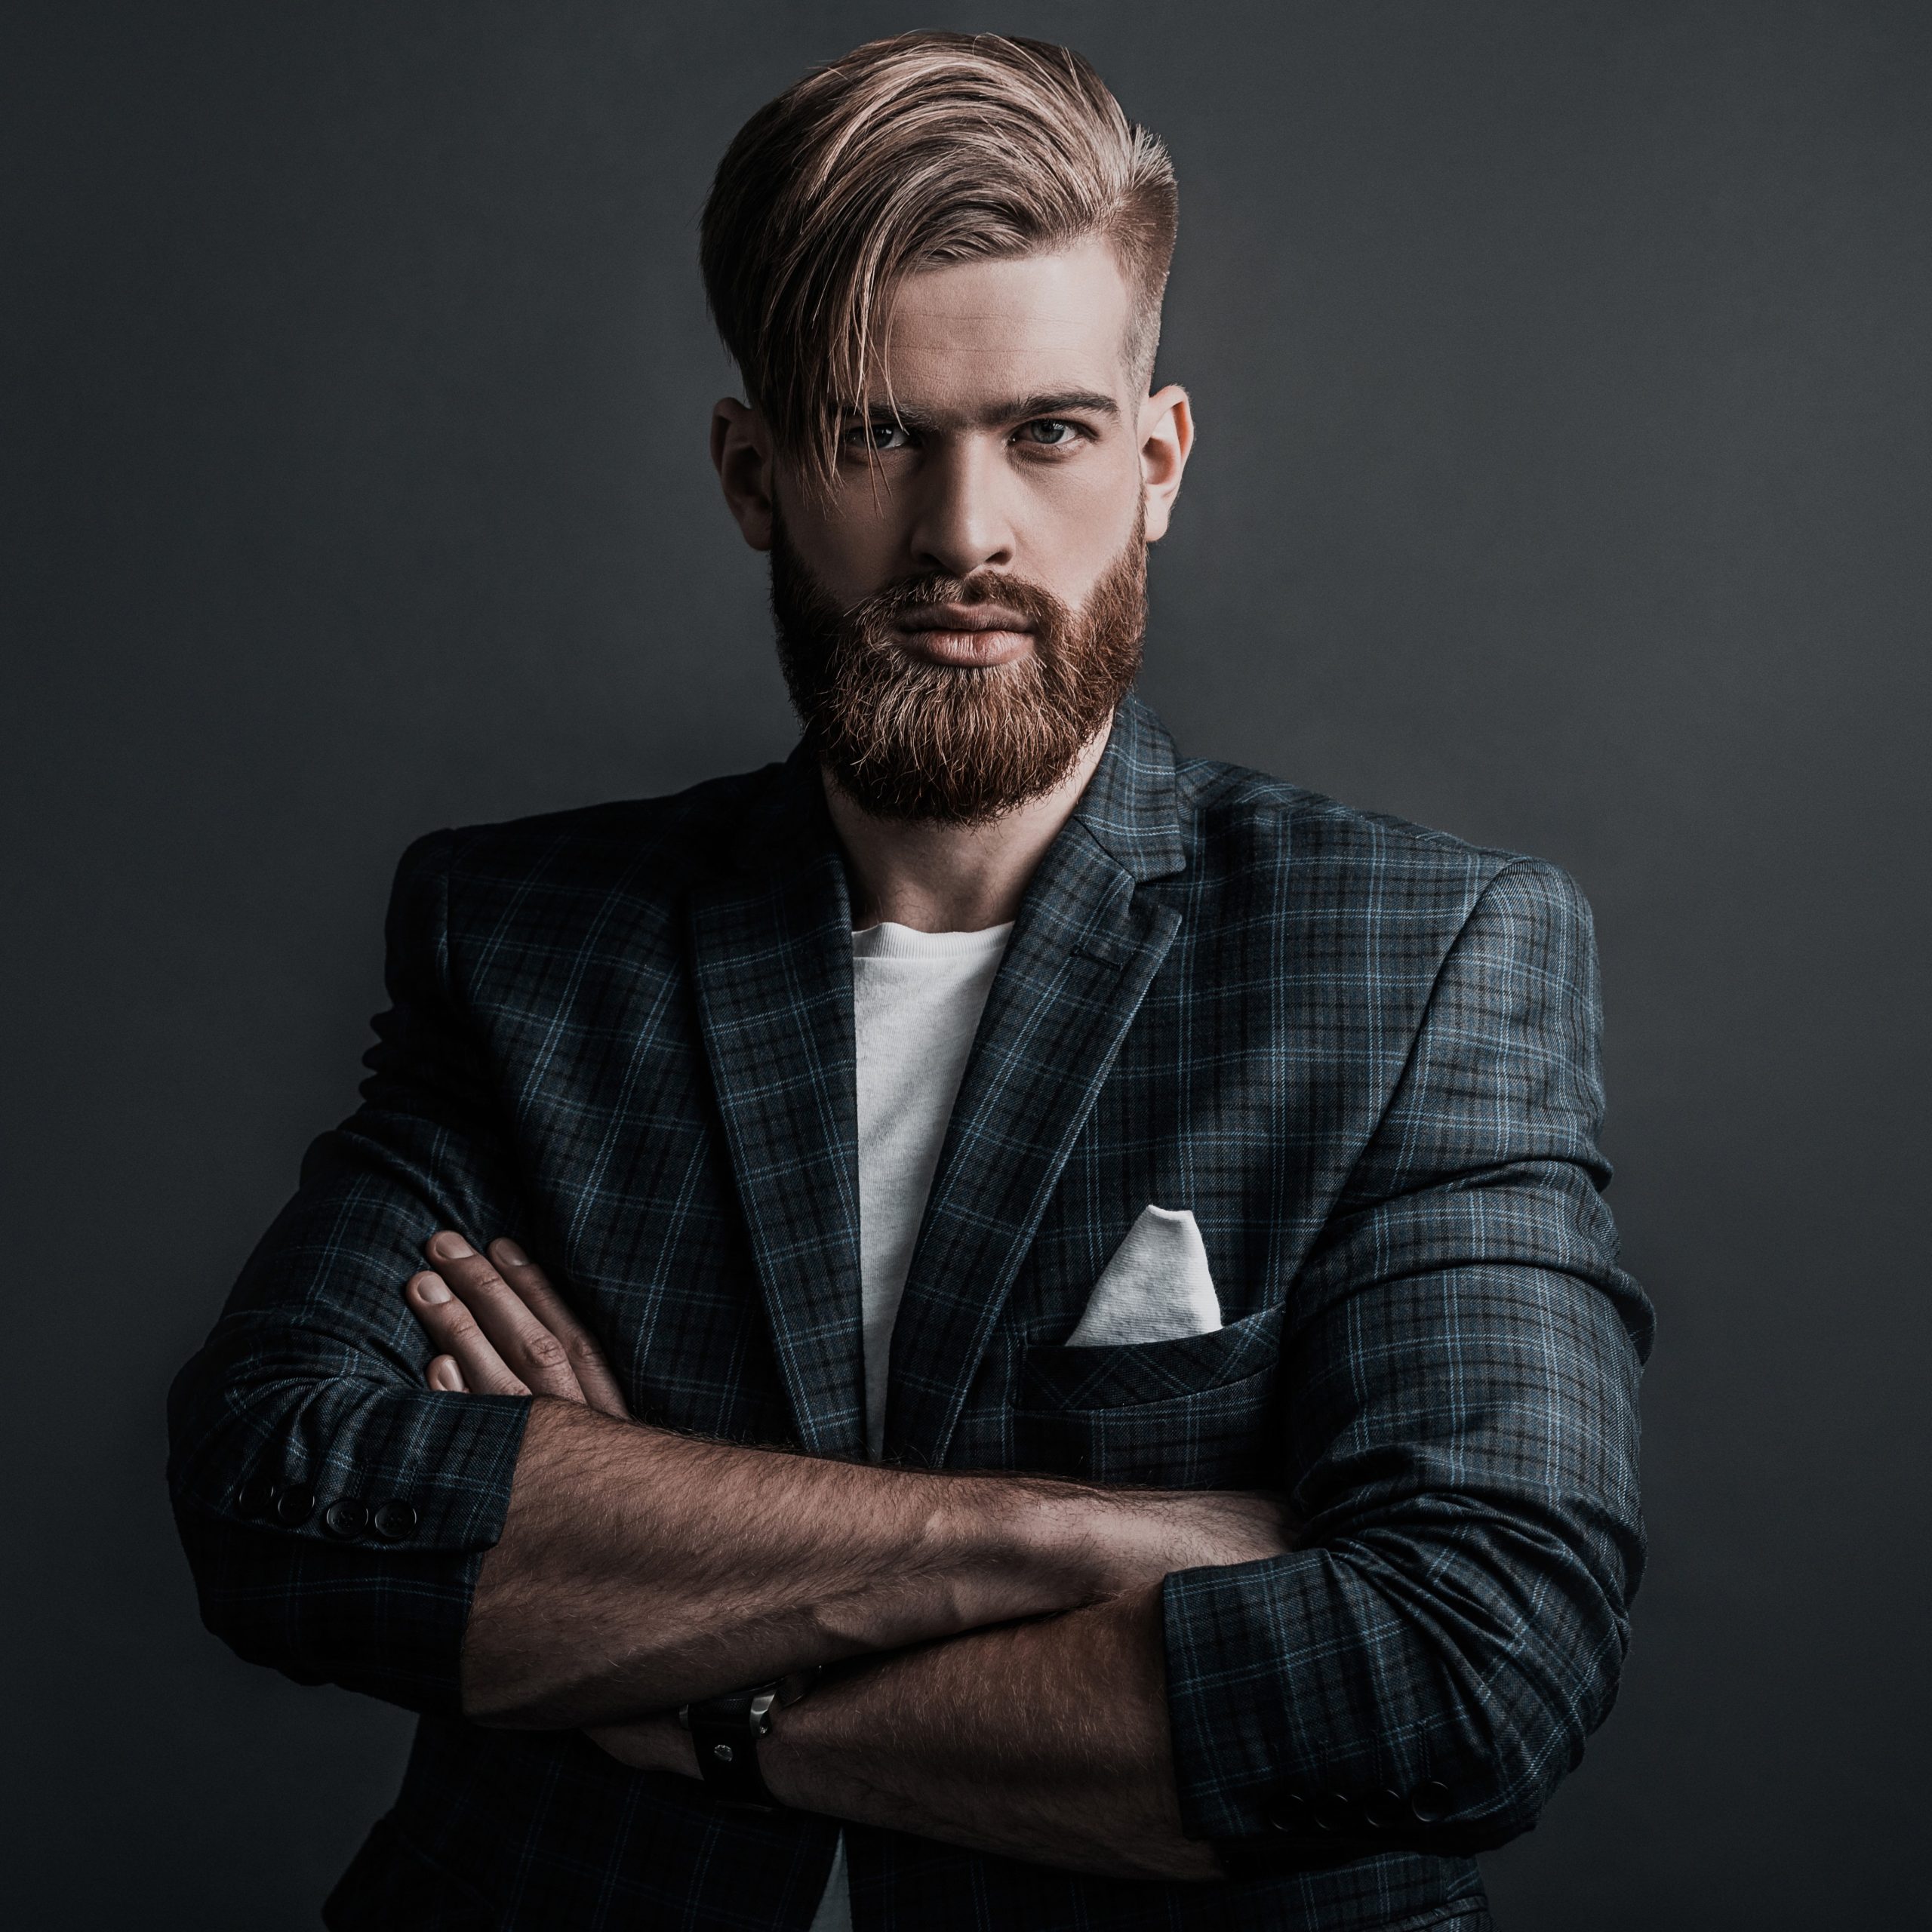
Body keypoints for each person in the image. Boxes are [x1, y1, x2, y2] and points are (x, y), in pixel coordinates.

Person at [168, 31, 1652, 1932]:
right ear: (752, 471)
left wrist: (710, 1682)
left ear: (1154, 460)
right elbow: (279, 1496)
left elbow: (1464, 1668)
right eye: (880, 433)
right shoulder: (519, 939)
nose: (965, 533)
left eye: (1043, 430)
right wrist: (1036, 1531)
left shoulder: (1419, 959)